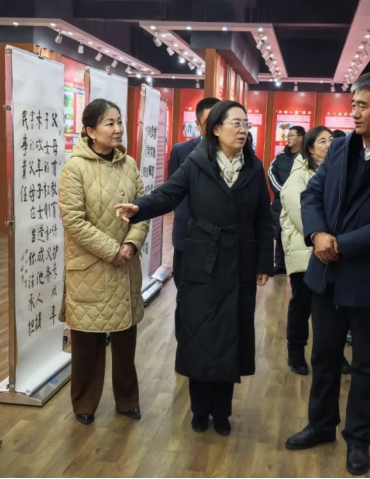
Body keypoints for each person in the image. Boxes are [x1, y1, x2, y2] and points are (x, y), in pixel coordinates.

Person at [286, 71, 370, 476]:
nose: (355, 113)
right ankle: (320, 425)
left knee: (366, 365)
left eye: (363, 105)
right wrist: (317, 234)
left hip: (368, 279)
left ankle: (358, 440)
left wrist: (339, 243)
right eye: (353, 105)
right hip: (326, 274)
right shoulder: (342, 147)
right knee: (324, 356)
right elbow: (312, 194)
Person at [114, 101, 273, 436]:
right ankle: (200, 409)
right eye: (235, 123)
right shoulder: (197, 162)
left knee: (229, 335)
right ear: (216, 128)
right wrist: (138, 207)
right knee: (199, 333)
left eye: (245, 124)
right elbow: (168, 195)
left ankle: (223, 411)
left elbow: (263, 219)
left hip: (239, 263)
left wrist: (264, 263)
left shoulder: (254, 167)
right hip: (202, 260)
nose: (242, 130)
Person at [58, 99, 149, 426]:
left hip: (126, 265)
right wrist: (112, 250)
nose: (117, 129)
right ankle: (84, 402)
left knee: (125, 341)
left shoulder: (129, 164)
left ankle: (127, 400)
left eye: (119, 122)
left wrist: (131, 244)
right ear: (90, 130)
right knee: (87, 344)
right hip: (91, 267)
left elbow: (143, 209)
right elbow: (74, 220)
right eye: (109, 123)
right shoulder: (75, 168)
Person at [280, 126, 333, 375]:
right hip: (305, 249)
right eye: (322, 141)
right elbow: (302, 215)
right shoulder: (298, 177)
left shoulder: (334, 171)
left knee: (330, 308)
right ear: (310, 148)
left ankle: (331, 354)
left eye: (331, 139)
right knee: (302, 304)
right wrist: (322, 236)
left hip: (329, 248)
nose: (329, 144)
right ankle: (296, 352)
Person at [167, 97, 220, 286]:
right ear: (198, 124)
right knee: (183, 285)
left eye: (219, 122)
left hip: (220, 236)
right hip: (187, 231)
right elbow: (172, 191)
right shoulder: (181, 151)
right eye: (208, 122)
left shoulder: (236, 154)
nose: (214, 128)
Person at [269, 125, 306, 275]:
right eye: (288, 135)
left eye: (291, 135)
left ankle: (298, 266)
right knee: (280, 232)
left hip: (299, 202)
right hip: (281, 202)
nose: (288, 138)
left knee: (297, 233)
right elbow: (271, 173)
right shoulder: (280, 156)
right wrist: (283, 192)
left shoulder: (306, 157)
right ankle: (279, 264)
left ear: (300, 138)